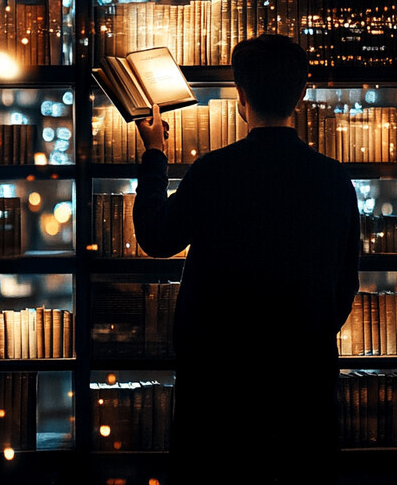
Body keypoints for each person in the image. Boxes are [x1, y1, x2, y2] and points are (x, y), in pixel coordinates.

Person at [133, 33, 360, 485]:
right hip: (302, 378)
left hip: (218, 382)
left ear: (241, 94)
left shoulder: (214, 171)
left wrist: (154, 154)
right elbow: (345, 282)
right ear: (301, 94)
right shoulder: (333, 179)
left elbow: (156, 238)